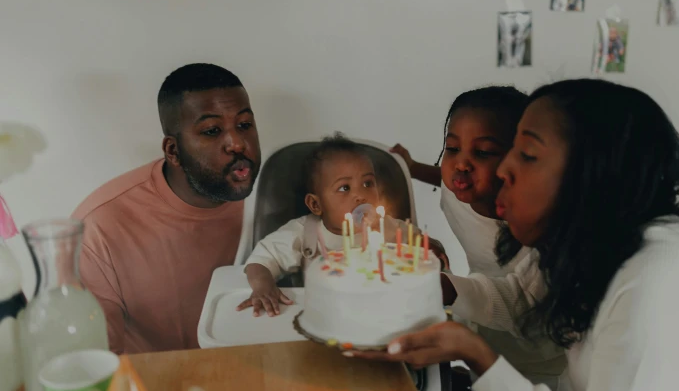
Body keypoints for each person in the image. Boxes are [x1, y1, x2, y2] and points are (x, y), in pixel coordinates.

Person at [355, 79, 679, 391]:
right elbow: (521, 292)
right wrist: (445, 287)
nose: (504, 171)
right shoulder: (593, 242)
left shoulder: (657, 276)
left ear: (590, 173)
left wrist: (479, 354)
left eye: (527, 154)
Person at [391, 86, 566, 391]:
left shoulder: (540, 226)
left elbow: (523, 302)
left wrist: (448, 288)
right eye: (452, 147)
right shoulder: (461, 189)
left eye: (483, 152)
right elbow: (444, 176)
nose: (461, 163)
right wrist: (410, 168)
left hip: (541, 354)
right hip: (483, 327)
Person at [72, 63, 261, 355]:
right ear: (173, 150)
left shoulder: (276, 196)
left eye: (245, 125)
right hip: (158, 390)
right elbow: (91, 360)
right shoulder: (99, 227)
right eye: (212, 130)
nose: (237, 143)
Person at [237, 133, 445, 317]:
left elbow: (424, 247)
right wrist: (263, 287)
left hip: (379, 316)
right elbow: (260, 262)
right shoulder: (303, 234)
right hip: (320, 319)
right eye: (345, 187)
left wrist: (432, 249)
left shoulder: (386, 228)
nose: (360, 195)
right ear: (316, 204)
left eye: (367, 184)